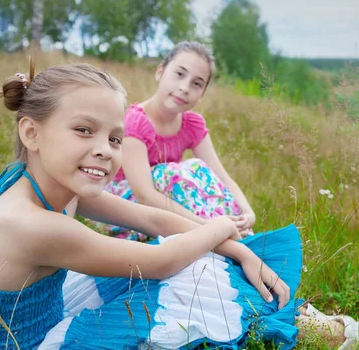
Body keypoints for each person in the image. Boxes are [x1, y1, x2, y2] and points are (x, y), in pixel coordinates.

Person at [0, 61, 359, 350]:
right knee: (184, 273)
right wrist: (218, 227)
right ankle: (313, 330)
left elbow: (152, 220)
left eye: (115, 138)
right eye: (83, 130)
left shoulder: (42, 181)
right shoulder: (31, 223)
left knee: (189, 254)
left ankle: (298, 314)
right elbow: (159, 263)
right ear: (32, 132)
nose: (103, 149)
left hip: (37, 320)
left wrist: (237, 249)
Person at [100, 42, 256, 241]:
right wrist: (204, 225)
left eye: (197, 84)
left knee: (199, 169)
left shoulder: (192, 124)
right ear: (160, 72)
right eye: (179, 74)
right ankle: (217, 234)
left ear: (202, 93)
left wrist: (248, 213)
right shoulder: (135, 121)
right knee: (172, 173)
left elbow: (221, 177)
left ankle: (238, 232)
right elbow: (145, 195)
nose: (184, 88)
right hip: (125, 208)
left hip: (167, 206)